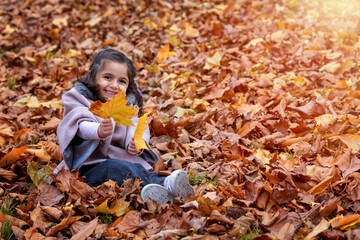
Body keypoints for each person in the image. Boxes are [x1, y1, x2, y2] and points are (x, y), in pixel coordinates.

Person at [54, 48, 194, 204]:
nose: (114, 85)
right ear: (91, 76)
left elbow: (138, 126)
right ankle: (162, 186)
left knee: (130, 169)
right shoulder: (80, 99)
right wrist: (98, 130)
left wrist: (135, 143)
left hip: (122, 159)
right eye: (108, 77)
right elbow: (77, 125)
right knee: (115, 169)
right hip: (88, 167)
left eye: (122, 81)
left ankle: (166, 189)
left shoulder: (127, 106)